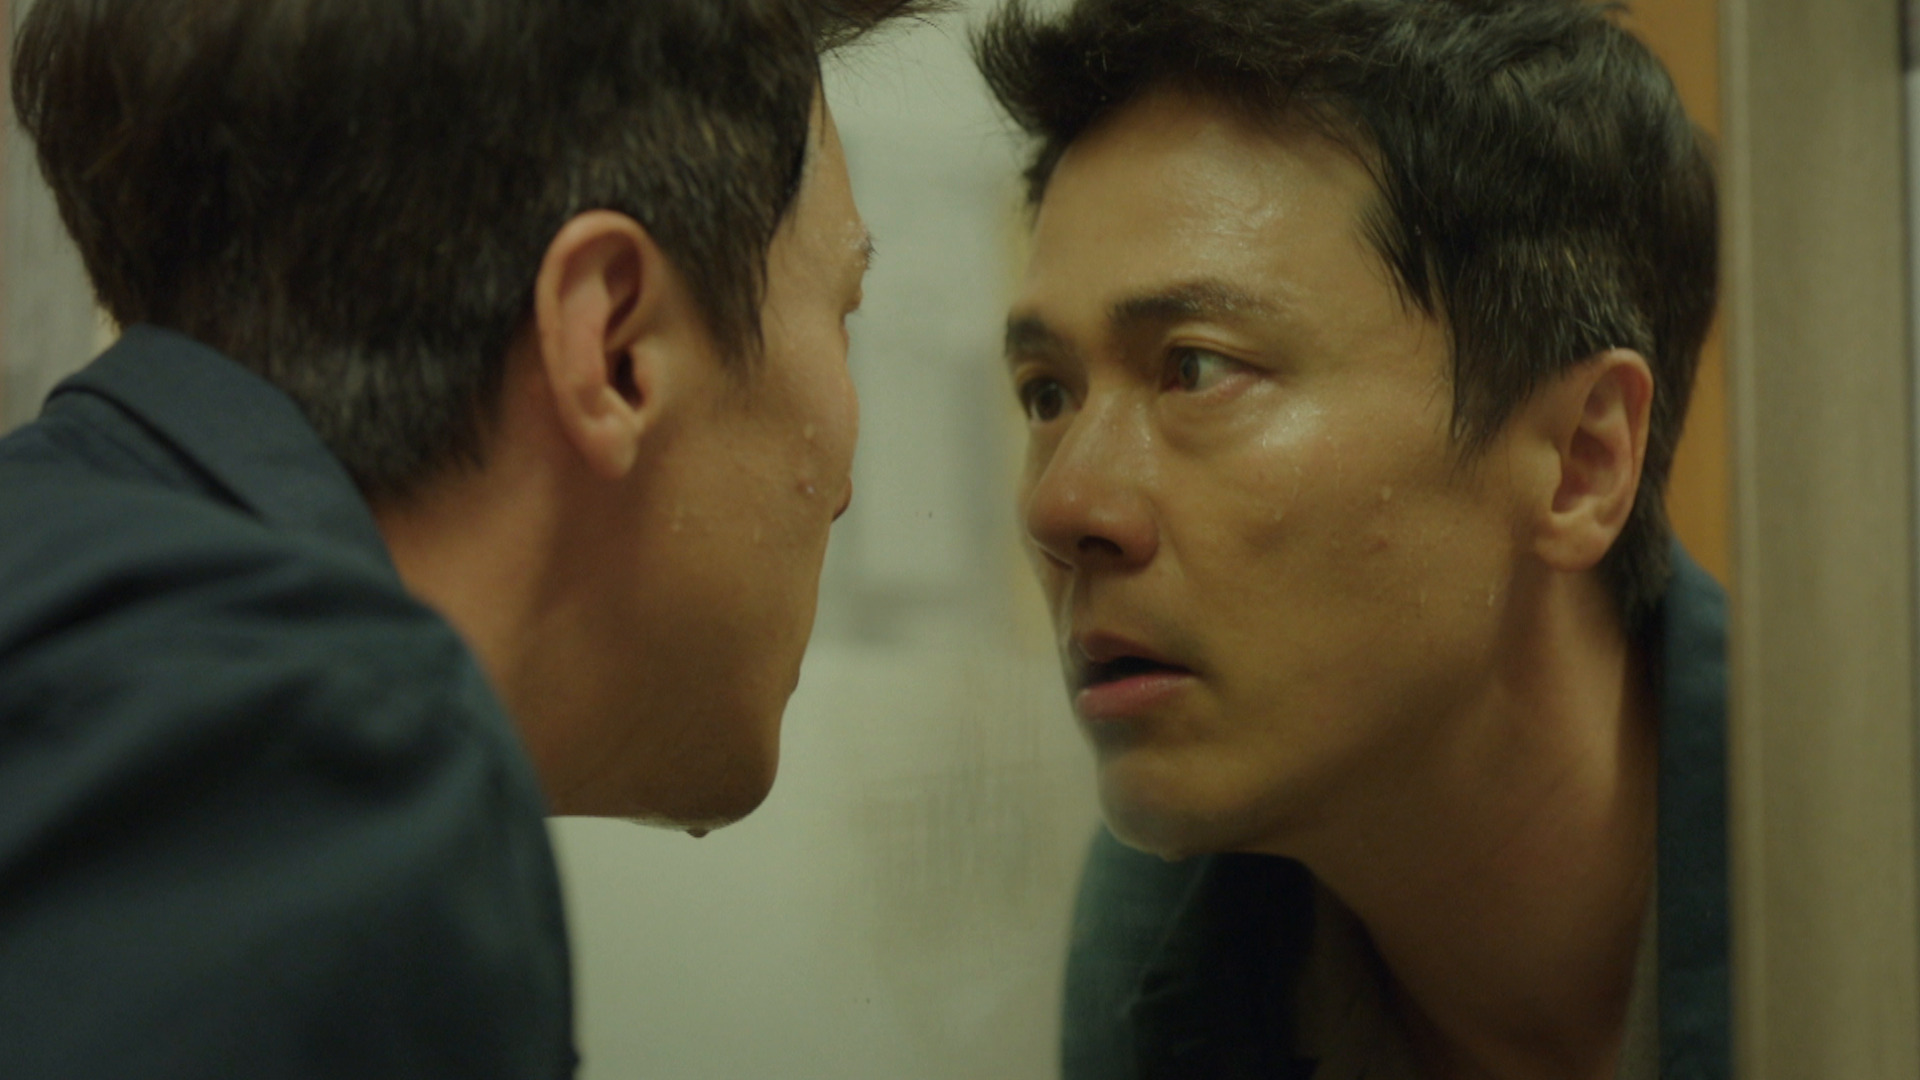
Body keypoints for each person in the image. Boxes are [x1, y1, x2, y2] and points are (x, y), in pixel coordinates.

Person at [0, 1, 941, 1076]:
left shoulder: (70, 598)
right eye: (842, 312)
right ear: (615, 347)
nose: (843, 494)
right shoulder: (342, 785)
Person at [974, 1, 1725, 1077]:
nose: (1060, 507)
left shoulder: (1868, 873)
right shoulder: (1164, 936)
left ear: (1579, 461)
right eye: (1048, 394)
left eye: (1196, 368)